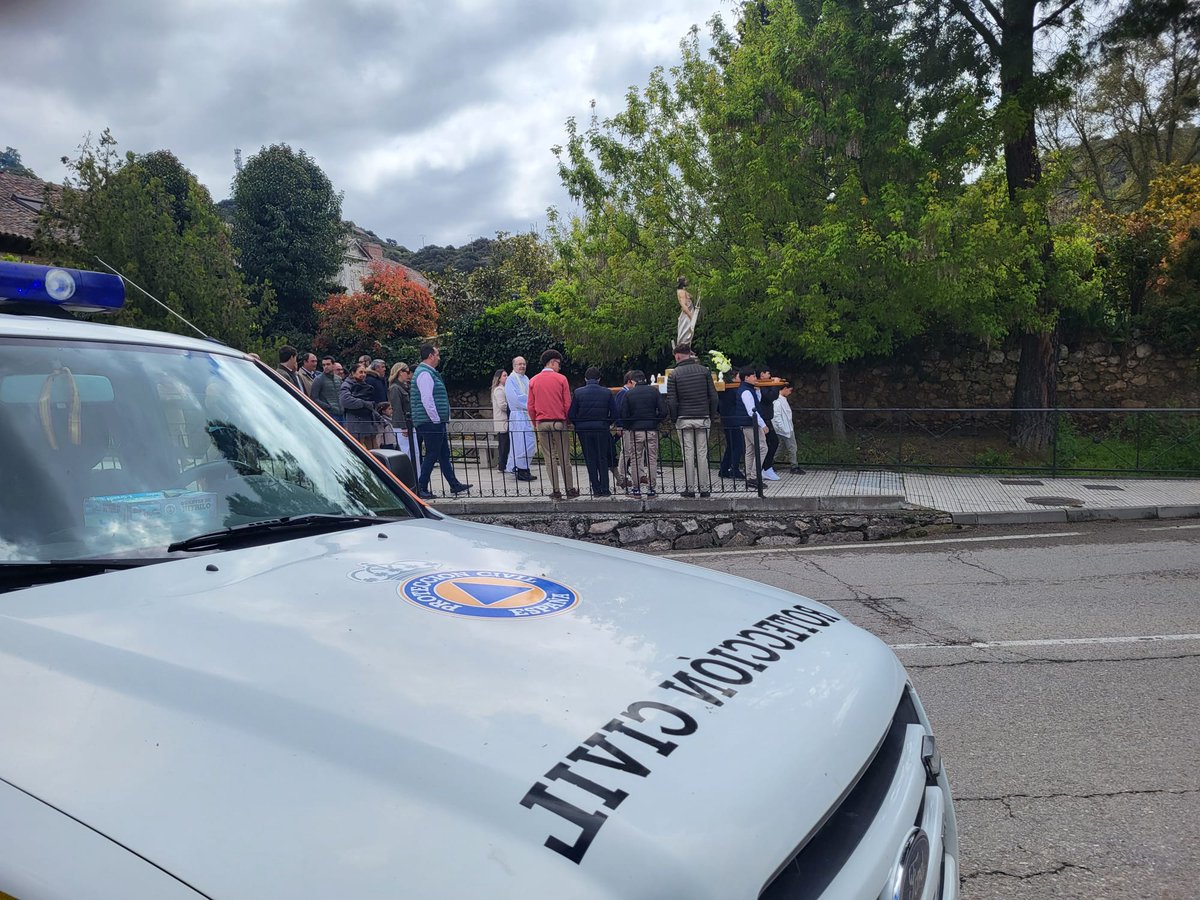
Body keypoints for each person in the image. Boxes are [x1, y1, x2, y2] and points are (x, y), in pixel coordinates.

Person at [411, 344, 471, 500]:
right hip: (430, 421)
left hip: (433, 420)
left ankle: (454, 484)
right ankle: (421, 487)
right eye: (437, 354)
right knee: (432, 454)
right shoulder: (425, 374)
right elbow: (427, 399)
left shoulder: (428, 373)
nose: (439, 357)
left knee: (444, 453)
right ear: (430, 356)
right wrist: (436, 419)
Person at [666, 343, 718, 497]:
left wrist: (674, 418)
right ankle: (704, 488)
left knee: (688, 454)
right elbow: (714, 397)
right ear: (690, 354)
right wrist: (711, 415)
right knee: (702, 453)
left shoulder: (674, 374)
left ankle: (690, 488)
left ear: (677, 356)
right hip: (702, 417)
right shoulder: (704, 371)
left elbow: (672, 401)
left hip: (684, 418)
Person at [527, 349, 577, 500]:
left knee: (549, 458)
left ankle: (555, 490)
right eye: (558, 363)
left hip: (542, 423)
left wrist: (535, 422)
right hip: (558, 422)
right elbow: (567, 404)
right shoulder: (561, 379)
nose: (559, 367)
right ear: (553, 362)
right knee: (564, 457)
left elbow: (530, 405)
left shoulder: (533, 380)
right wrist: (568, 421)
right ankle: (569, 489)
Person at [618, 370, 667, 498]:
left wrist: (630, 426)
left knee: (635, 459)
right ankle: (651, 489)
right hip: (651, 429)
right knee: (651, 459)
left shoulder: (629, 394)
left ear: (633, 381)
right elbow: (663, 411)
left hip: (636, 431)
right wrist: (655, 421)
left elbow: (624, 415)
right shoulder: (654, 391)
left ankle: (636, 489)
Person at [568, 366, 616, 496]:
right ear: (599, 379)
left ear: (585, 379)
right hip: (601, 428)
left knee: (590, 459)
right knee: (602, 458)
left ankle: (596, 489)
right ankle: (605, 489)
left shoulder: (578, 393)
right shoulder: (606, 392)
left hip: (584, 430)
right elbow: (614, 413)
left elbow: (571, 414)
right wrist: (607, 423)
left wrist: (578, 425)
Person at [504, 356, 536, 482]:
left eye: (523, 364)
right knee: (520, 443)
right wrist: (530, 402)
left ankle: (525, 467)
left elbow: (529, 395)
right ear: (514, 366)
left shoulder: (526, 378)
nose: (522, 366)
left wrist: (529, 401)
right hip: (518, 415)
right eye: (519, 364)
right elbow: (515, 399)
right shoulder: (511, 379)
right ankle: (521, 470)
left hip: (526, 415)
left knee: (529, 443)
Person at [736, 365, 768, 490]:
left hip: (746, 423)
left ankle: (749, 476)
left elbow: (756, 402)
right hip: (750, 424)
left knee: (750, 450)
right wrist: (763, 424)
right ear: (747, 378)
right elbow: (752, 410)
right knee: (762, 447)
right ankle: (754, 476)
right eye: (753, 376)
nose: (756, 377)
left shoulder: (748, 389)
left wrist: (758, 391)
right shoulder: (746, 391)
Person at [340, 363, 379, 449]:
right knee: (358, 449)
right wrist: (364, 403)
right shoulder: (346, 385)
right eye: (360, 372)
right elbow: (345, 401)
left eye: (365, 372)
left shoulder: (366, 385)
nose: (363, 375)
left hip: (368, 421)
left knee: (374, 450)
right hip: (356, 422)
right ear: (353, 373)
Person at [717, 370, 746, 480]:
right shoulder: (734, 389)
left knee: (731, 445)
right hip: (734, 419)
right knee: (738, 445)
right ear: (734, 377)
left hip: (726, 418)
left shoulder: (723, 389)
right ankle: (734, 468)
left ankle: (724, 469)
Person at [771, 384, 804, 474]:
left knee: (781, 446)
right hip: (785, 428)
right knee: (792, 447)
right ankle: (794, 466)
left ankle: (771, 461)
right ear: (785, 389)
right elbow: (776, 417)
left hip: (785, 428)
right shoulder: (778, 401)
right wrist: (783, 428)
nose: (790, 393)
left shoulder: (780, 400)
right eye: (789, 390)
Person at [756, 367, 781, 481]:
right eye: (768, 373)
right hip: (763, 418)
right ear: (762, 374)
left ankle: (766, 466)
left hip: (766, 418)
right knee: (771, 442)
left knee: (771, 443)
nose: (770, 375)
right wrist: (775, 385)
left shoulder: (765, 384)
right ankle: (765, 467)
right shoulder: (761, 385)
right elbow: (770, 397)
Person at [388, 362, 417, 461]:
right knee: (407, 452)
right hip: (402, 426)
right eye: (407, 372)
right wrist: (403, 426)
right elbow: (397, 408)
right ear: (400, 372)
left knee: (414, 452)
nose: (409, 375)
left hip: (408, 423)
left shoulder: (403, 386)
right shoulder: (395, 388)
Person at [310, 356, 343, 423]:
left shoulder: (339, 379)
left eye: (328, 364)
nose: (326, 367)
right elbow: (314, 398)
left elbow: (342, 394)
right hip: (329, 414)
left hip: (341, 413)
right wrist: (327, 406)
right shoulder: (318, 380)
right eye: (324, 365)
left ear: (333, 365)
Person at [490, 369, 510, 474]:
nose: (506, 377)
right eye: (504, 375)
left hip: (505, 421)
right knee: (504, 444)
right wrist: (511, 408)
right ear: (499, 378)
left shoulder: (504, 389)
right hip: (503, 421)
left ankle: (504, 464)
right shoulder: (499, 390)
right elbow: (502, 405)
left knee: (506, 443)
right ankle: (502, 465)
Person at [675, 276, 699, 349]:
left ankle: (687, 347)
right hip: (687, 315)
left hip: (689, 313)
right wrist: (691, 316)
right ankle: (683, 347)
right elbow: (684, 306)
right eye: (685, 280)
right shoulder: (681, 292)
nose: (687, 281)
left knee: (690, 331)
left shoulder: (683, 291)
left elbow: (691, 296)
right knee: (686, 331)